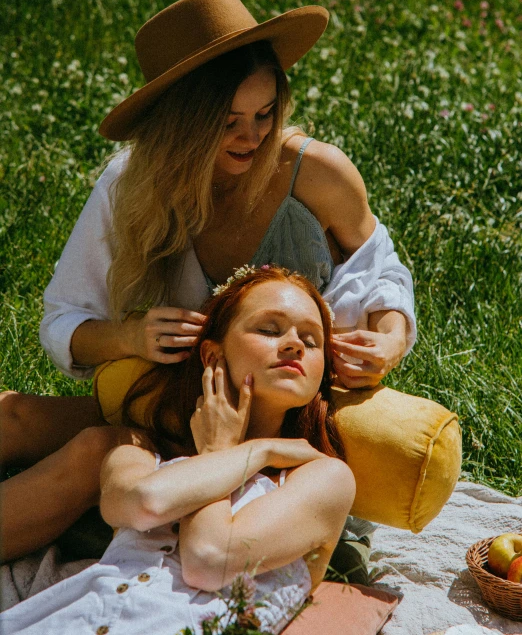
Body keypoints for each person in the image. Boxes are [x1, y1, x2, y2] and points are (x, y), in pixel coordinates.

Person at [1, 0, 415, 563]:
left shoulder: (315, 174)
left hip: (285, 424)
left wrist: (391, 337)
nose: (252, 137)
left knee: (96, 458)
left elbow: (382, 272)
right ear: (182, 125)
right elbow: (64, 320)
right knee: (10, 415)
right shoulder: (132, 186)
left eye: (265, 114)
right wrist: (129, 336)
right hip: (168, 405)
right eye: (227, 122)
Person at [0, 267, 355, 635]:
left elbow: (208, 559)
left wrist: (221, 453)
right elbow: (143, 504)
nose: (294, 344)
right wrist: (250, 450)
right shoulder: (138, 452)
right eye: (268, 329)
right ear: (212, 354)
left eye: (311, 341)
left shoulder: (324, 478)